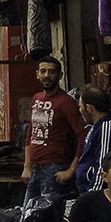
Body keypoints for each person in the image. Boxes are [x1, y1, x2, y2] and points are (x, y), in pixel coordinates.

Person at [20, 55, 86, 204]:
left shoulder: (66, 102)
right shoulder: (36, 98)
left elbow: (82, 135)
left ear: (60, 75)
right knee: (29, 216)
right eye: (43, 71)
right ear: (37, 74)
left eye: (52, 72)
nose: (47, 76)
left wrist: (71, 170)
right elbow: (30, 132)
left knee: (49, 218)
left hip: (55, 168)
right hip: (35, 169)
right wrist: (27, 166)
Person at [76, 87, 111, 194]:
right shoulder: (95, 127)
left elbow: (104, 164)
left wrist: (94, 195)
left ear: (89, 108)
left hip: (96, 193)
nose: (80, 110)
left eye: (80, 106)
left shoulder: (107, 127)